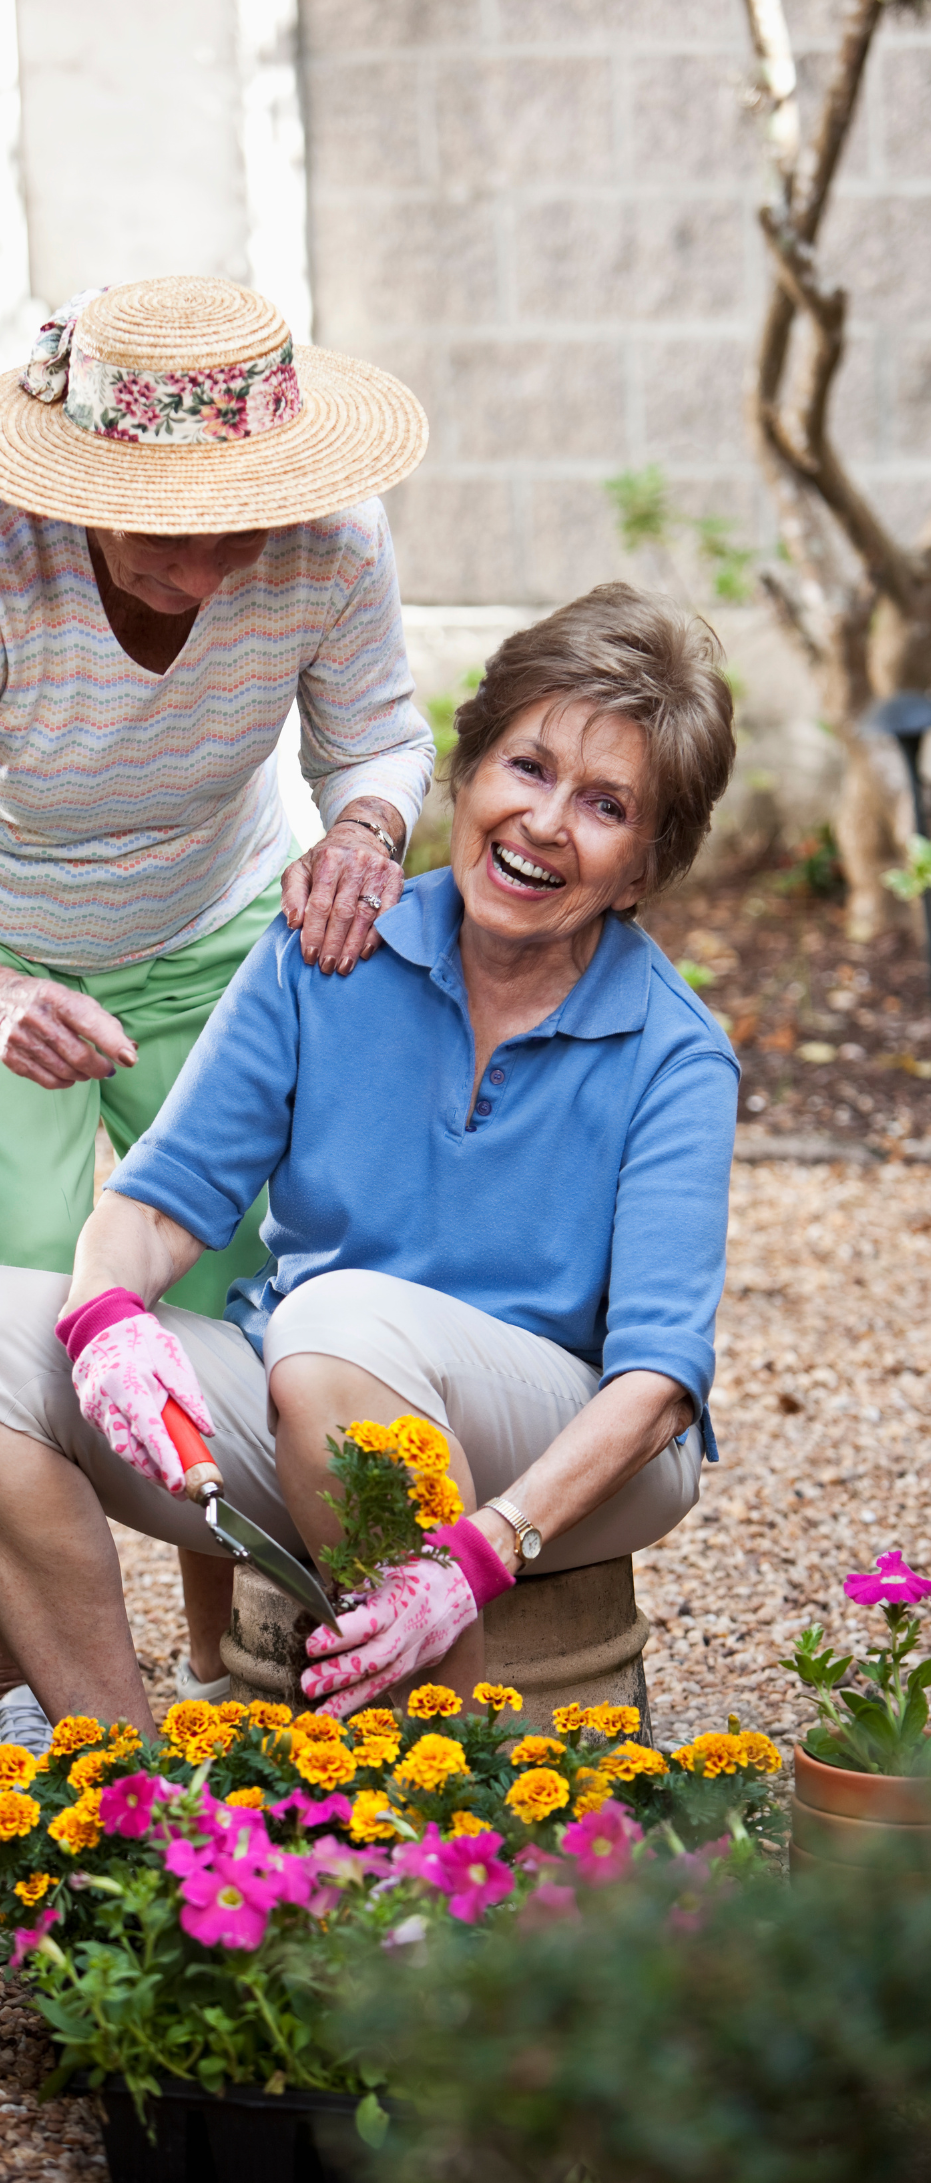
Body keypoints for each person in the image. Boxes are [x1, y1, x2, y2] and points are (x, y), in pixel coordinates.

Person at [0, 582, 740, 1727]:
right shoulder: (326, 953)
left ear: (644, 868)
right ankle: (130, 1799)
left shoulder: (675, 1055)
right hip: (311, 1399)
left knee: (338, 1323)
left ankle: (420, 1806)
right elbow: (160, 1202)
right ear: (468, 774)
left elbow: (657, 1387)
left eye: (606, 805)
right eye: (527, 768)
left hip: (569, 1452)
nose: (546, 822)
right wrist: (104, 1318)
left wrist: (483, 1549)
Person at [0, 274, 434, 1729]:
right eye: (164, 533)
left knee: (230, 1299)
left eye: (233, 523)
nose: (205, 570)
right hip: (7, 949)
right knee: (15, 1306)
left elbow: (378, 736)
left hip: (215, 921)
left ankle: (222, 1669)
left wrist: (362, 833)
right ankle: (34, 1700)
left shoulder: (329, 536)